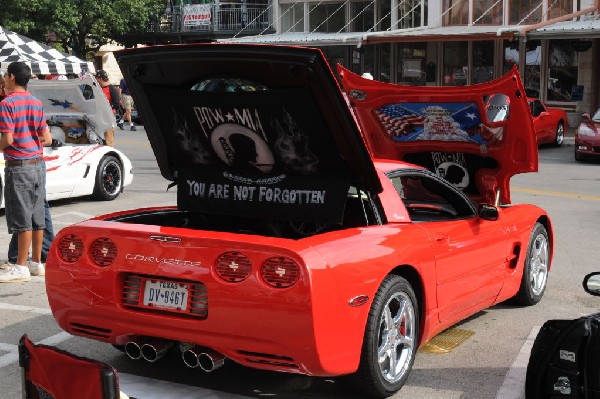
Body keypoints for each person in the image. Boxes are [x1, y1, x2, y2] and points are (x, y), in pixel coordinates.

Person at [0, 61, 52, 283]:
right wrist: (29, 138)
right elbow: (46, 137)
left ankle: (20, 266)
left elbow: (8, 138)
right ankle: (36, 262)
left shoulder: (7, 104)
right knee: (37, 216)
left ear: (11, 77)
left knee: (22, 218)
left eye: (5, 75)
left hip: (19, 166)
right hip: (38, 163)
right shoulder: (36, 102)